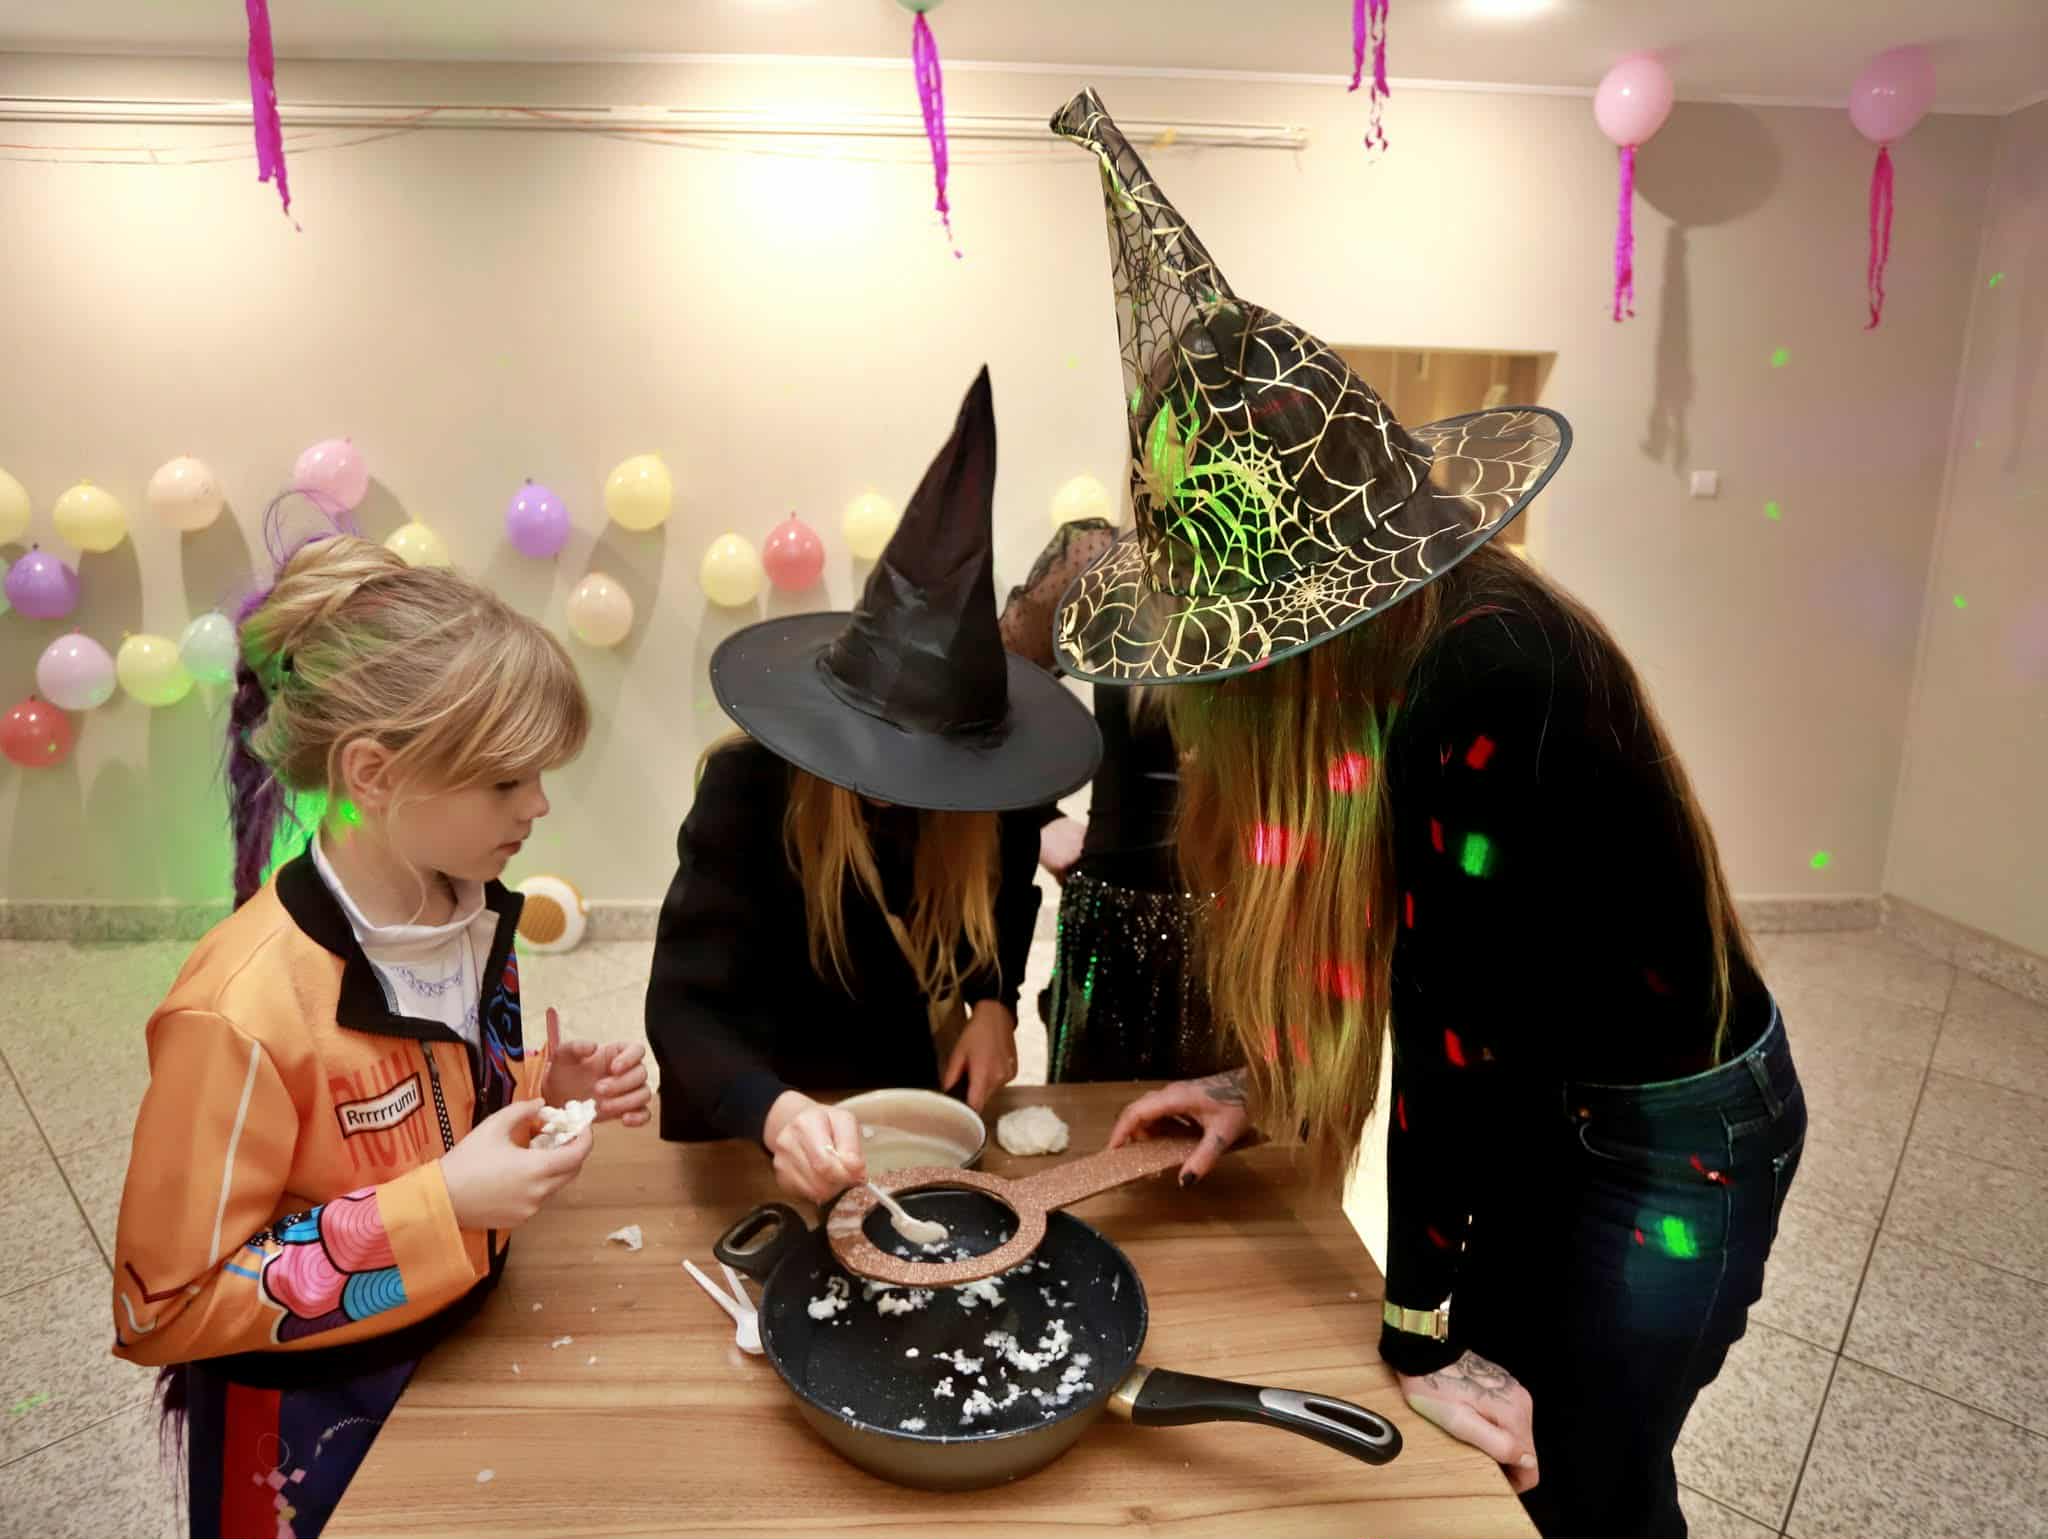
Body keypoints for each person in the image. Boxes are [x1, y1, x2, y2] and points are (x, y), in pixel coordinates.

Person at [1052, 91, 1804, 1539]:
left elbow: (1454, 1031)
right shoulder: (1402, 663)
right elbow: (1415, 959)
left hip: (1666, 1137)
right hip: (1544, 1099)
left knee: (1578, 1477)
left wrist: (1415, 1331)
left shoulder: (1486, 662)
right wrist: (1260, 1085)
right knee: (1512, 1453)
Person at [111, 523, 651, 1539]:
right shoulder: (238, 1013)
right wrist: (443, 1203)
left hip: (465, 1355)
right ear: (372, 774)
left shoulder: (472, 913)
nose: (539, 804)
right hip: (311, 1426)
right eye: (506, 780)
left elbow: (419, 1102)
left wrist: (536, 1087)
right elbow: (163, 1307)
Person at [646, 368, 1102, 1203]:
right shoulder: (749, 791)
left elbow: (1007, 894)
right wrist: (778, 1115)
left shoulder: (986, 788)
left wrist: (994, 1001)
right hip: (771, 1125)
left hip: (905, 1103)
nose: (908, 788)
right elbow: (686, 1011)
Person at [999, 519, 1232, 1081]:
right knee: (1092, 1126)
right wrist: (1037, 817)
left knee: (1240, 1131)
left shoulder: (1298, 572)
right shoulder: (1102, 559)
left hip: (1243, 934)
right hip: (1113, 928)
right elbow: (987, 692)